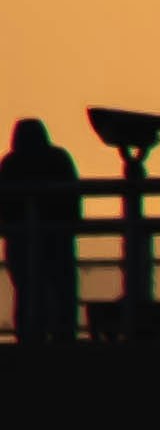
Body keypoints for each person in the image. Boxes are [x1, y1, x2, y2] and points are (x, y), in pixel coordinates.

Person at [0, 118, 73, 346]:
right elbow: (72, 202)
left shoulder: (11, 164)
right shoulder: (58, 159)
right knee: (60, 290)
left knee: (26, 290)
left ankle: (28, 334)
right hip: (56, 239)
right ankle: (63, 335)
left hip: (20, 240)